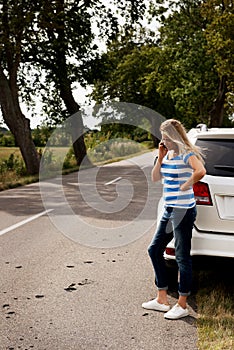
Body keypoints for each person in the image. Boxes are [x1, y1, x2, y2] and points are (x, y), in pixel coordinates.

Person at [142, 119, 206, 320]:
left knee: (181, 257)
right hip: (170, 209)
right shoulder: (166, 154)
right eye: (163, 138)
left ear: (176, 137)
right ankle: (162, 299)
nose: (164, 141)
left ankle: (182, 304)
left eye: (168, 138)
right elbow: (154, 177)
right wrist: (160, 157)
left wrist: (187, 184)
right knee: (154, 249)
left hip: (183, 211)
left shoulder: (187, 153)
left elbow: (201, 171)